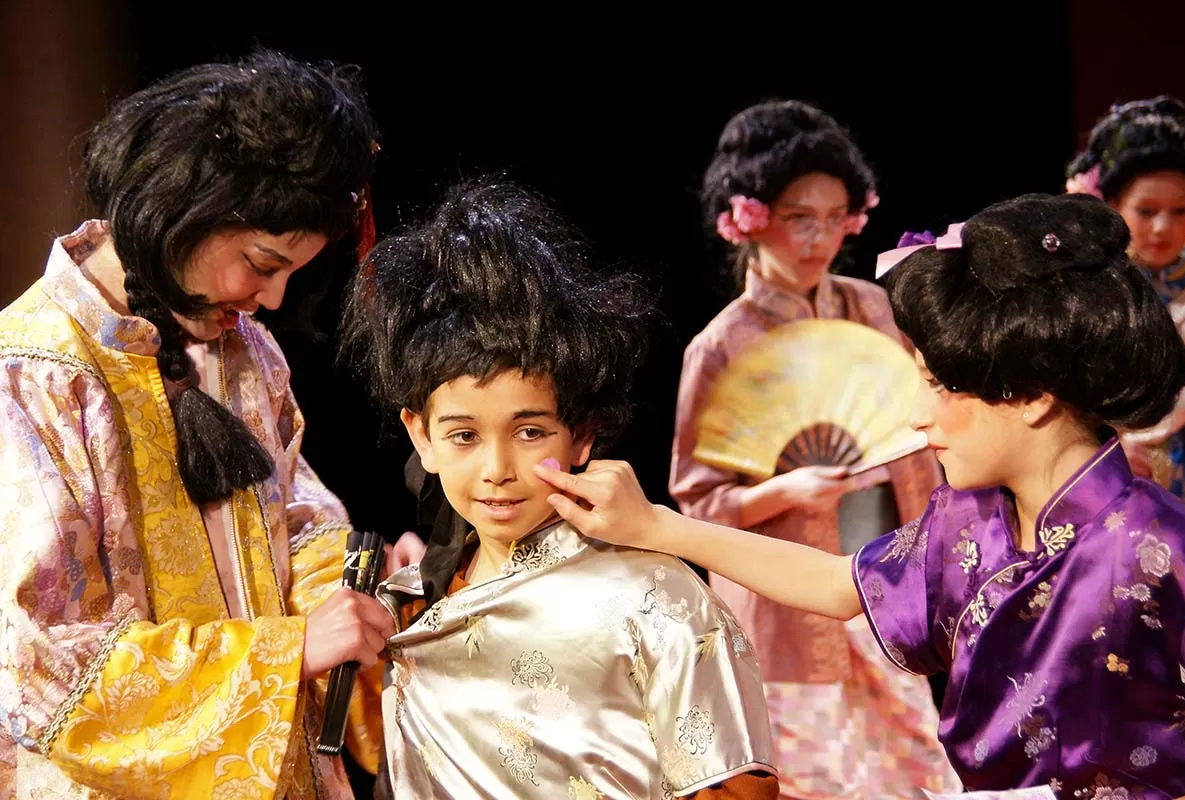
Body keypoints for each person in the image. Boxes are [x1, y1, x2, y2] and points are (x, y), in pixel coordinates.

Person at [535, 193, 1185, 797]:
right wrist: (656, 527)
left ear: (1032, 396)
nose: (916, 417)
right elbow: (836, 585)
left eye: (941, 386)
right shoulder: (967, 523)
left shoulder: (1169, 548)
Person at [0, 50, 422, 799]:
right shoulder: (33, 374)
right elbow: (35, 664)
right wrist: (286, 653)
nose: (272, 298)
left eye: (291, 271)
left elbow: (294, 527)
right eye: (262, 262)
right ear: (184, 207)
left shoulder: (244, 350)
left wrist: (369, 594)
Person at [341, 178, 779, 799]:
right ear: (422, 436)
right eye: (464, 436)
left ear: (582, 437)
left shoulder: (657, 597)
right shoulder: (404, 607)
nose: (497, 468)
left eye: (529, 432)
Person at [672, 99, 955, 797]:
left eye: (834, 218)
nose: (819, 237)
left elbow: (922, 427)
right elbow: (697, 502)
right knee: (816, 782)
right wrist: (784, 491)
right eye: (800, 218)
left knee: (920, 772)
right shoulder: (721, 345)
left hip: (885, 581)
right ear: (749, 218)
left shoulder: (875, 308)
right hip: (787, 603)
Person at [1066, 96, 1185, 509]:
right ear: (1113, 206)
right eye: (1146, 210)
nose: (1163, 227)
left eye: (1180, 210)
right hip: (1112, 462)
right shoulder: (1091, 283)